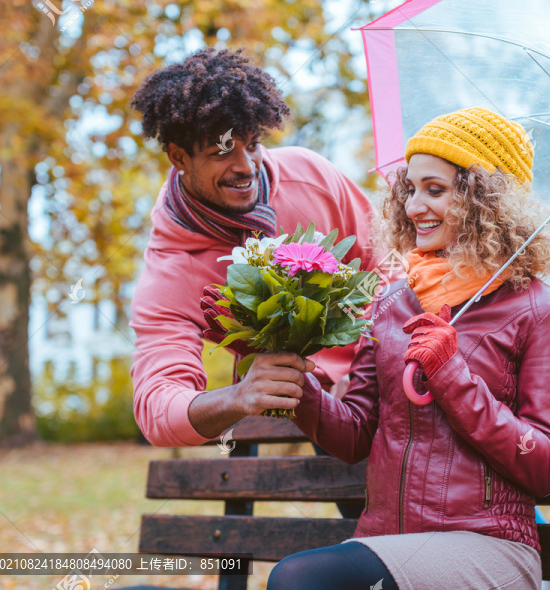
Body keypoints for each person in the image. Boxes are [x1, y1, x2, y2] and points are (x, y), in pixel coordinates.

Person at [264, 107, 550, 590]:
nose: (414, 208)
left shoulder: (541, 311)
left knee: (299, 580)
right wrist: (295, 378)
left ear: (485, 200)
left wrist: (452, 375)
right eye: (410, 189)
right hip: (384, 541)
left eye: (435, 190)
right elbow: (354, 436)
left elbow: (548, 464)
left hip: (487, 544)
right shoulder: (394, 302)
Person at [127, 46, 376, 519]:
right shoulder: (173, 268)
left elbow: (390, 267)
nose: (245, 165)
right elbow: (158, 404)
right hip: (329, 427)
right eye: (222, 150)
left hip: (390, 382)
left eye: (252, 142)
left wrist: (359, 367)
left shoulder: (311, 177)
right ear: (178, 156)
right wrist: (238, 397)